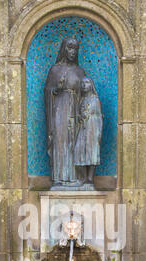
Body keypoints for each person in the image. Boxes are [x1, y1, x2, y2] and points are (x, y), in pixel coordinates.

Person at [45, 37, 85, 188]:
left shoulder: (80, 71)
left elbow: (85, 92)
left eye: (75, 49)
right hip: (59, 109)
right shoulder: (54, 70)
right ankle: (59, 178)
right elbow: (48, 92)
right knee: (60, 141)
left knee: (74, 142)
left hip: (75, 110)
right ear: (64, 49)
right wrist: (57, 90)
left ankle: (75, 177)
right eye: (69, 48)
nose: (72, 52)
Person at [74, 77, 103, 186]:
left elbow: (99, 116)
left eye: (86, 83)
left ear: (91, 85)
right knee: (78, 151)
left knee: (92, 153)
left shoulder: (95, 100)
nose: (84, 85)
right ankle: (83, 178)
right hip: (82, 129)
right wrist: (80, 117)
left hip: (92, 129)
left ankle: (90, 179)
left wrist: (98, 133)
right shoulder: (81, 100)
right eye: (82, 83)